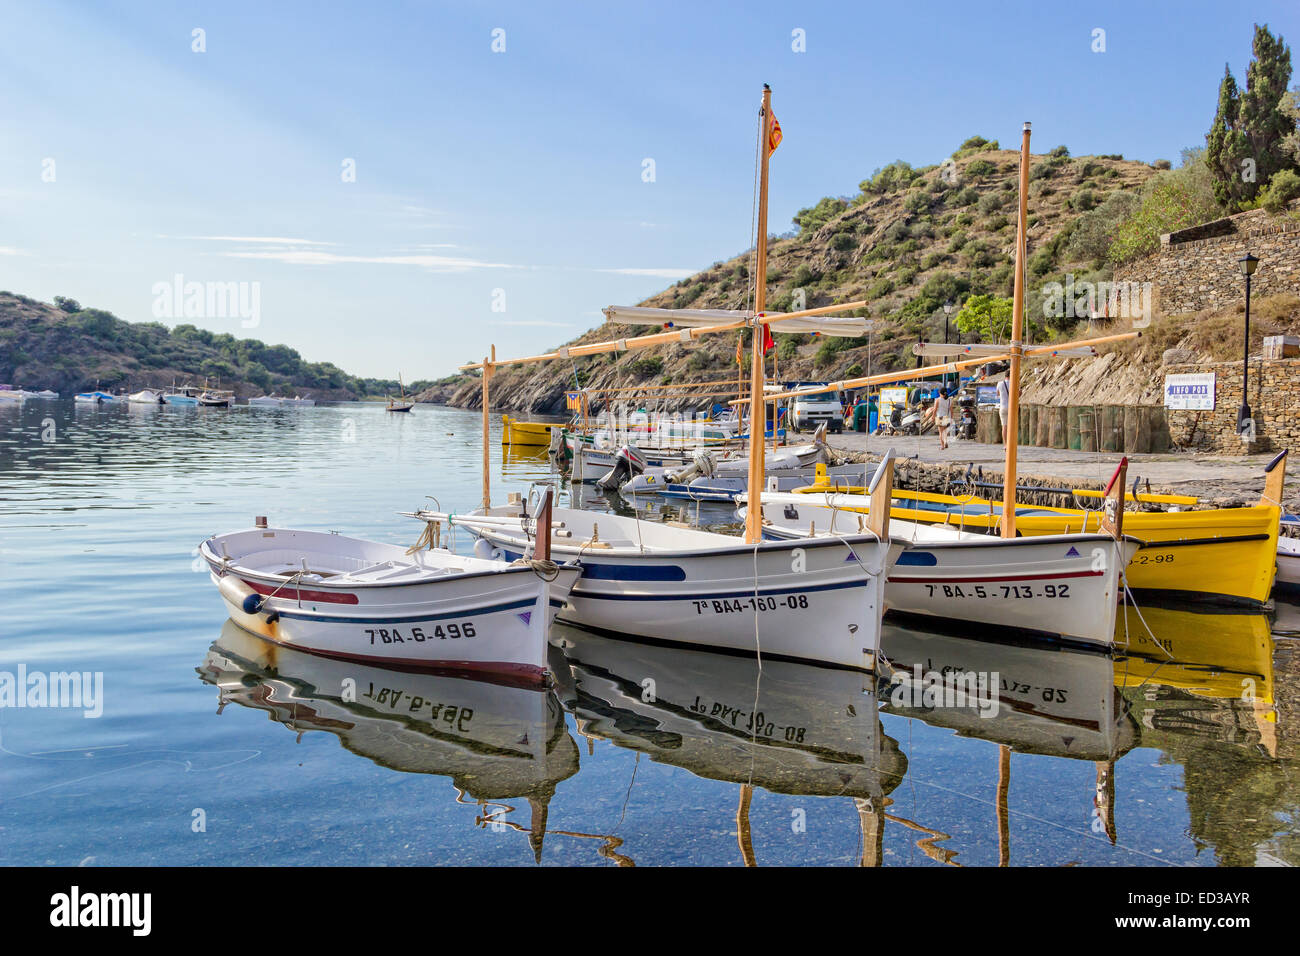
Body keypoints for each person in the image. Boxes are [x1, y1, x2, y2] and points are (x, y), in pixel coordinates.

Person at [996, 377, 1010, 443]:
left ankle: (1005, 444)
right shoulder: (1013, 383)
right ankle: (1011, 443)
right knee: (1012, 426)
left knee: (1004, 426)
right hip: (1011, 408)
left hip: (1002, 407)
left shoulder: (1000, 383)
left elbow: (997, 394)